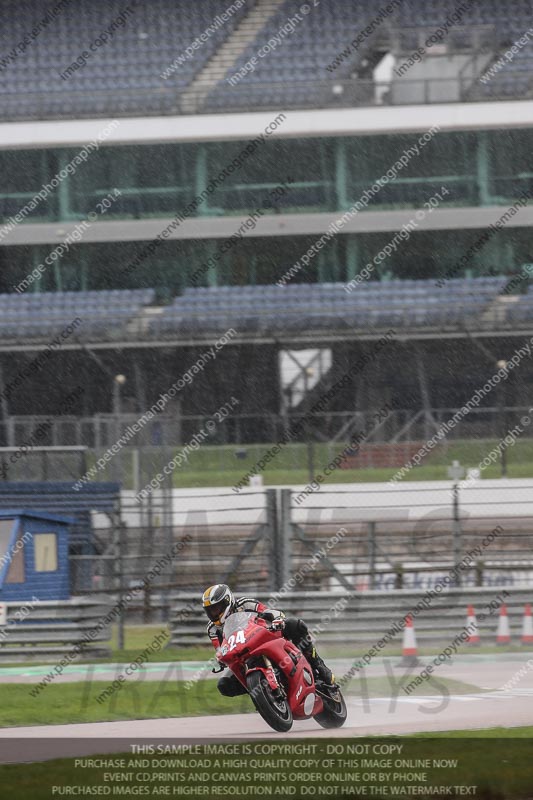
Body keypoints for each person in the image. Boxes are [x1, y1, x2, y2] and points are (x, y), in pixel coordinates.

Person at [202, 583, 335, 697]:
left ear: (227, 601)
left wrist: (277, 619)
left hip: (264, 636)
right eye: (210, 610)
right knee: (224, 685)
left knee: (294, 624)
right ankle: (263, 695)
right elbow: (220, 649)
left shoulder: (245, 604)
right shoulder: (212, 628)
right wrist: (220, 660)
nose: (213, 613)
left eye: (216, 608)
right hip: (241, 654)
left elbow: (269, 612)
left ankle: (318, 665)